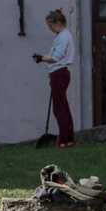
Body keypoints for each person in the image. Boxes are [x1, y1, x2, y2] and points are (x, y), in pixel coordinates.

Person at [34, 9, 76, 148]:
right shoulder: (63, 35)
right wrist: (43, 57)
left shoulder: (63, 37)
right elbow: (55, 54)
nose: (49, 28)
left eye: (51, 25)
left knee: (59, 109)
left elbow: (57, 57)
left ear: (58, 23)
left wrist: (42, 59)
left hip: (58, 73)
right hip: (59, 72)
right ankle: (69, 139)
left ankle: (63, 141)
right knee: (63, 106)